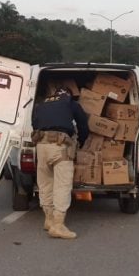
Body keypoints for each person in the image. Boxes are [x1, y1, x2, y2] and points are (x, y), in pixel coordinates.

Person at [31, 86, 89, 239]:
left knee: (45, 184)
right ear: (68, 95)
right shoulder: (71, 103)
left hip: (41, 146)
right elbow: (83, 125)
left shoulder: (42, 105)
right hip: (60, 147)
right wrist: (82, 141)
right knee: (62, 185)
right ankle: (58, 225)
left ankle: (48, 220)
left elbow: (35, 125)